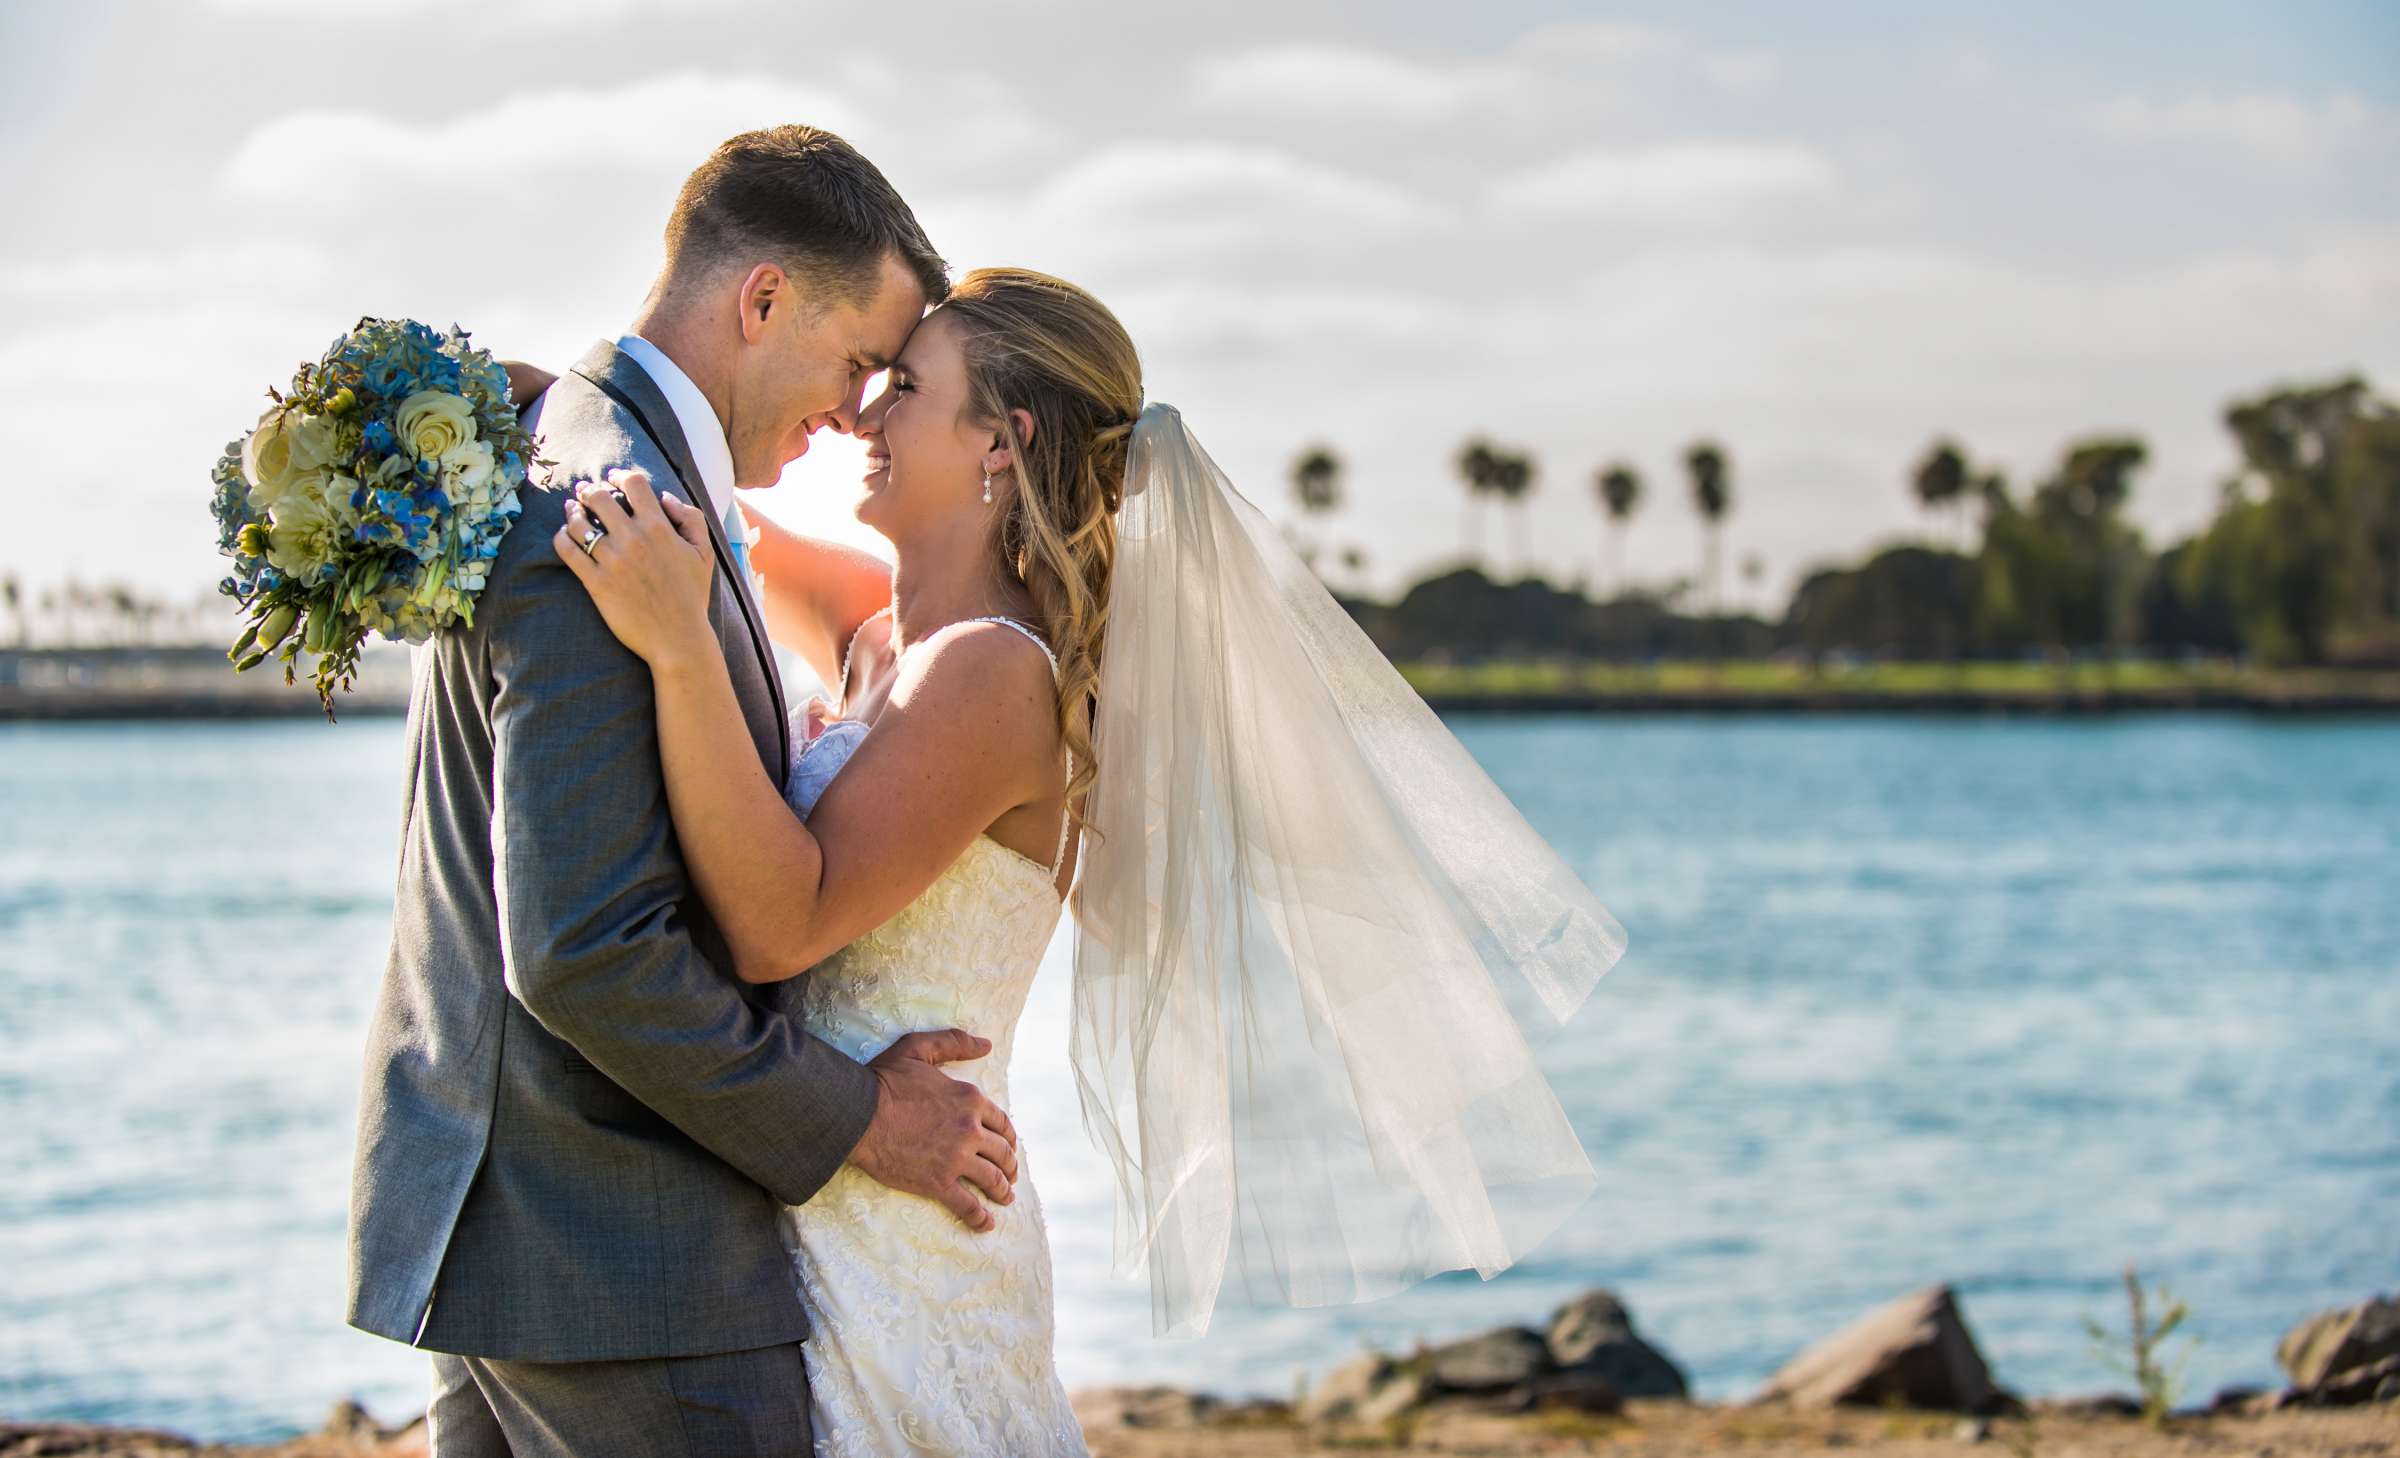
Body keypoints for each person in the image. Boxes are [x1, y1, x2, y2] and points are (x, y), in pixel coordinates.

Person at [550, 265, 1629, 1455]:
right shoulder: (882, 634)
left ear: (1001, 444)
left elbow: (777, 924)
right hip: (822, 1194)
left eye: (905, 388)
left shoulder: (993, 674)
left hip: (903, 1230)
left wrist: (679, 657)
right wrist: (549, 401)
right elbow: (702, 503)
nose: (860, 416)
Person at [347, 125, 1024, 1458]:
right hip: (626, 1262)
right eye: (855, 365)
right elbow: (588, 951)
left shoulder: (563, 447)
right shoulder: (610, 510)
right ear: (760, 298)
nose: (856, 411)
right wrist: (861, 1118)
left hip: (511, 1235)